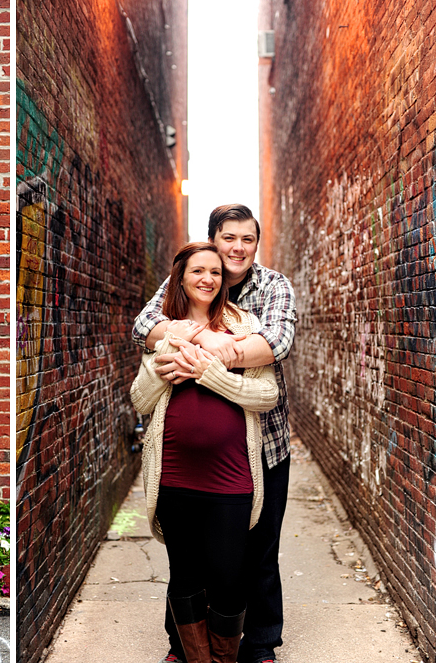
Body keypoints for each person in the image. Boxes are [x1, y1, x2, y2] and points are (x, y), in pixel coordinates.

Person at [132, 204, 297, 663]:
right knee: (187, 561)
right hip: (183, 463)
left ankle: (261, 643)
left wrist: (207, 354)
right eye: (229, 238)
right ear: (212, 240)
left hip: (264, 443)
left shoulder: (272, 286)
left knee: (258, 549)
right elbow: (146, 325)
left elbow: (276, 344)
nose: (237, 248)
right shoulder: (190, 276)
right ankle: (181, 647)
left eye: (247, 239)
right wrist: (200, 337)